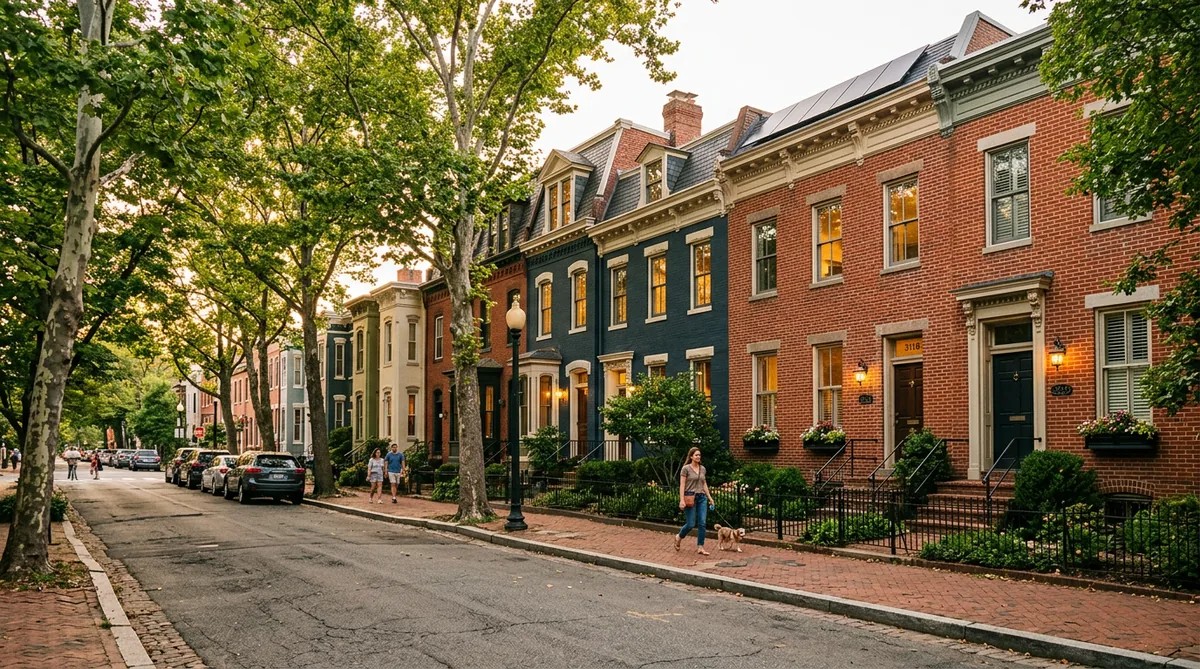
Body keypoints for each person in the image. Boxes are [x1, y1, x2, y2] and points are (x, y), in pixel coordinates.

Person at [675, 447, 715, 556]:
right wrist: (681, 500)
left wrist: (710, 498)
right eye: (696, 455)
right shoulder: (686, 469)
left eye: (699, 455)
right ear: (691, 456)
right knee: (691, 524)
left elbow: (704, 484)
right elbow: (682, 485)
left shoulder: (703, 469)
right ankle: (679, 537)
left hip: (702, 497)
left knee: (702, 523)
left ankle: (700, 547)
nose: (698, 457)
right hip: (690, 497)